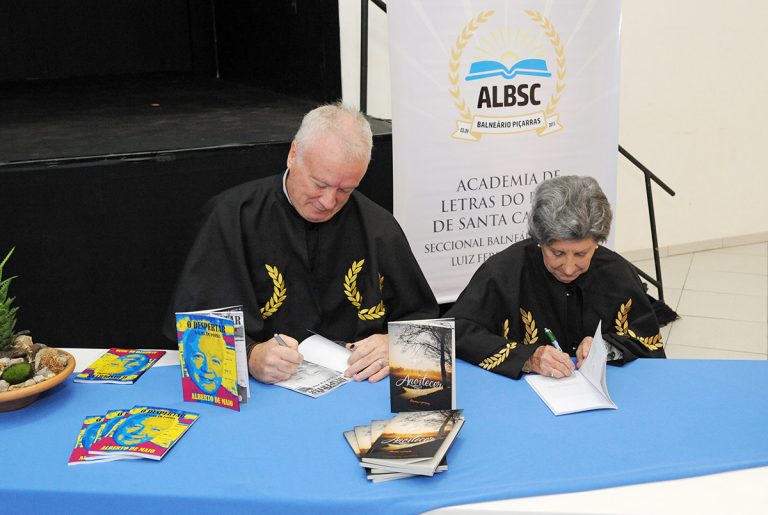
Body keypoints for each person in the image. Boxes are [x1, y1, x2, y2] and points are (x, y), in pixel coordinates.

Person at [166, 103, 438, 384]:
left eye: (345, 190)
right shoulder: (232, 216)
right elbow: (195, 325)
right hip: (263, 393)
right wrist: (249, 356)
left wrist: (394, 343)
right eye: (320, 184)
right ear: (293, 154)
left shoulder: (378, 227)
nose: (328, 202)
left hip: (357, 386)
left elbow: (425, 320)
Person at [447, 175, 666, 380]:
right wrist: (527, 357)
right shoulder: (504, 272)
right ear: (540, 241)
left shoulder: (617, 274)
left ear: (597, 243)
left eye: (581, 254)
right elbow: (456, 332)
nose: (569, 269)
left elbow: (647, 342)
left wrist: (606, 347)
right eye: (557, 253)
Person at [182, 330, 226, 395]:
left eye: (215, 361)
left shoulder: (232, 397)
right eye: (199, 357)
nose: (207, 369)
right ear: (185, 359)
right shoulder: (179, 389)